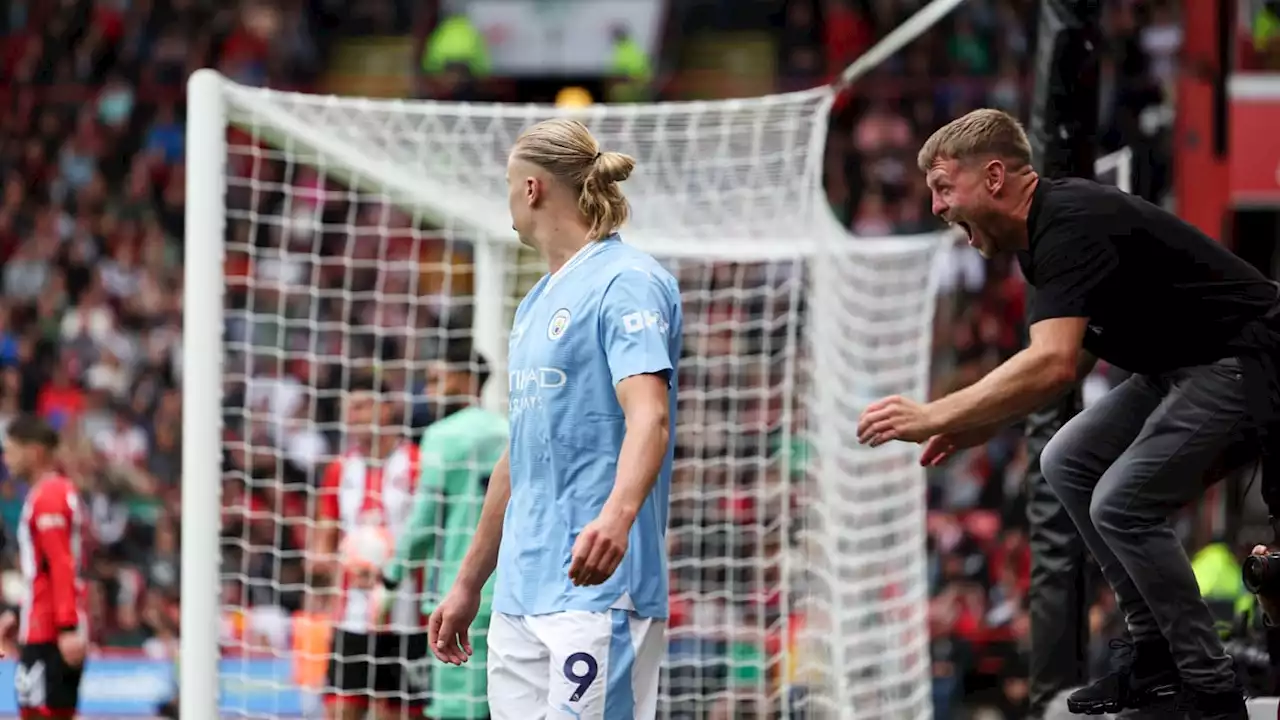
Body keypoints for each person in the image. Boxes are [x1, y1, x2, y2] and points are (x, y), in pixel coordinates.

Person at [856, 108, 1279, 720]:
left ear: (995, 176)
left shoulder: (1069, 221)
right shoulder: (1040, 242)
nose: (937, 208)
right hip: (1184, 366)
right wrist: (971, 423)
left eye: (944, 188)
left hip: (1245, 359)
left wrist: (934, 412)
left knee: (1121, 503)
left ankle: (1210, 689)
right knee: (1067, 460)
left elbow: (1051, 364)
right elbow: (1075, 357)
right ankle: (1155, 660)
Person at [428, 118, 683, 720]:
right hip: (519, 595)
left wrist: (617, 519)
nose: (509, 201)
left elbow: (651, 417)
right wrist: (471, 583)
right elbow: (519, 455)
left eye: (509, 185)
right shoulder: (535, 303)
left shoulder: (629, 282)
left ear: (533, 188)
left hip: (597, 592)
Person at [380, 344, 506, 720]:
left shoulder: (441, 436)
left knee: (457, 705)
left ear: (466, 379)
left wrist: (391, 576)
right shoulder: (510, 430)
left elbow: (424, 522)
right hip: (509, 584)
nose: (428, 389)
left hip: (458, 585)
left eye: (437, 379)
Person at [312, 376, 428, 720]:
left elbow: (430, 533)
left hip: (406, 615)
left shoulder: (417, 462)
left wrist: (388, 565)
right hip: (352, 616)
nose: (353, 415)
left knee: (401, 713)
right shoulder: (339, 469)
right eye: (347, 409)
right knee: (340, 710)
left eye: (361, 406)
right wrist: (335, 562)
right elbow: (324, 537)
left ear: (387, 407)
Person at [0, 415, 88, 720]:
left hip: (49, 631)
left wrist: (66, 628)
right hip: (40, 623)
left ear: (35, 452)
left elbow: (61, 563)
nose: (5, 459)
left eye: (11, 450)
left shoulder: (50, 496)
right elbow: (43, 570)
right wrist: (17, 612)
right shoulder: (45, 493)